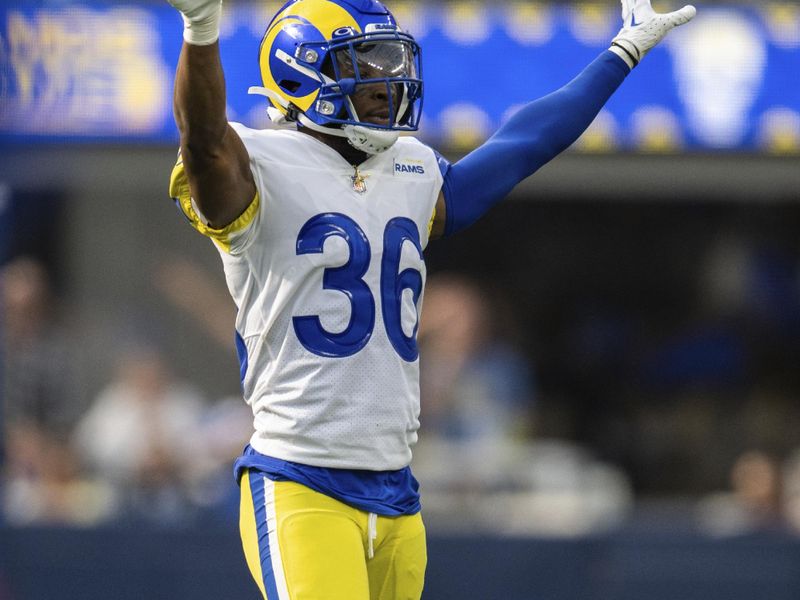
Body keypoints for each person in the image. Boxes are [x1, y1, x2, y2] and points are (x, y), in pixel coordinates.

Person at [165, 0, 695, 597]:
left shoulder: (411, 168)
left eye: (392, 61)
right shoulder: (256, 165)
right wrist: (201, 26)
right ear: (301, 74)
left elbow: (521, 146)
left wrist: (620, 54)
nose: (388, 80)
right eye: (366, 63)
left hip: (396, 488)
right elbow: (204, 141)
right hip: (300, 479)